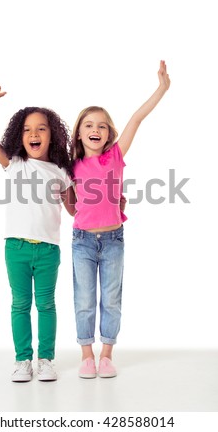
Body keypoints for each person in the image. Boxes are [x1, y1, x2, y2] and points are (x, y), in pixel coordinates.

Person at [70, 60, 170, 378]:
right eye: (88, 125)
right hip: (82, 241)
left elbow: (137, 117)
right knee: (84, 299)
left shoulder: (116, 155)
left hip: (113, 239)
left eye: (101, 125)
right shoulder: (70, 166)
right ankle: (87, 354)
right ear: (79, 133)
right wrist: (66, 202)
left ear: (109, 133)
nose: (95, 130)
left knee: (111, 298)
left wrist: (162, 88)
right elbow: (74, 209)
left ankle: (107, 354)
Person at [0, 83, 75, 382]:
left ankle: (45, 359)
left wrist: (109, 201)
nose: (34, 134)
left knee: (46, 304)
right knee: (20, 304)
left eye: (42, 129)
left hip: (48, 250)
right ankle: (23, 360)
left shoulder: (61, 171)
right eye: (27, 129)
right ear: (19, 136)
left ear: (53, 135)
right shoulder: (15, 163)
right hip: (16, 247)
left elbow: (75, 210)